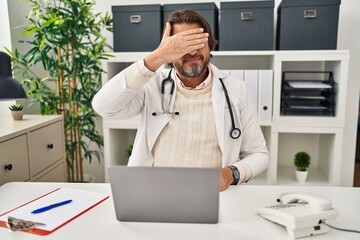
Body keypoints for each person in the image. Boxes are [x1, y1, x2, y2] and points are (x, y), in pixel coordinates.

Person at [92, 9, 269, 191]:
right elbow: (103, 106)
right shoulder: (151, 85)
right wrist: (156, 57)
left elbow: (258, 154)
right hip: (154, 192)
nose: (191, 50)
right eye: (180, 45)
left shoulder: (237, 89)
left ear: (209, 44)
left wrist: (231, 173)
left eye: (198, 41)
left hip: (213, 195)